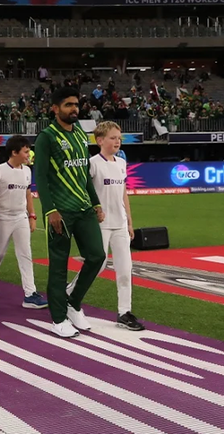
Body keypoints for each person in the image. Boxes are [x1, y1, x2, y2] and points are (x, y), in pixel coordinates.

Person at [34, 87, 106, 339]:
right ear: (55, 109)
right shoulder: (46, 137)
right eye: (68, 105)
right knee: (58, 266)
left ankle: (73, 302)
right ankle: (58, 318)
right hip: (60, 212)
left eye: (76, 104)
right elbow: (40, 177)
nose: (74, 109)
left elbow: (84, 173)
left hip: (84, 208)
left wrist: (95, 202)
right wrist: (50, 210)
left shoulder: (79, 135)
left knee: (97, 256)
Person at [69, 121, 144, 331]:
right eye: (113, 138)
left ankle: (124, 312)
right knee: (98, 265)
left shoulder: (121, 163)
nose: (117, 142)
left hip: (119, 224)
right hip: (100, 224)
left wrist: (129, 220)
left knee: (125, 269)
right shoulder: (92, 164)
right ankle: (70, 293)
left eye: (119, 138)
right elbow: (86, 193)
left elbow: (123, 193)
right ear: (100, 140)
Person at [0, 135, 47, 308]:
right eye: (25, 151)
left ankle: (30, 294)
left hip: (20, 217)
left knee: (25, 254)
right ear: (14, 152)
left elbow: (27, 194)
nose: (28, 154)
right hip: (2, 218)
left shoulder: (27, 171)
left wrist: (32, 215)